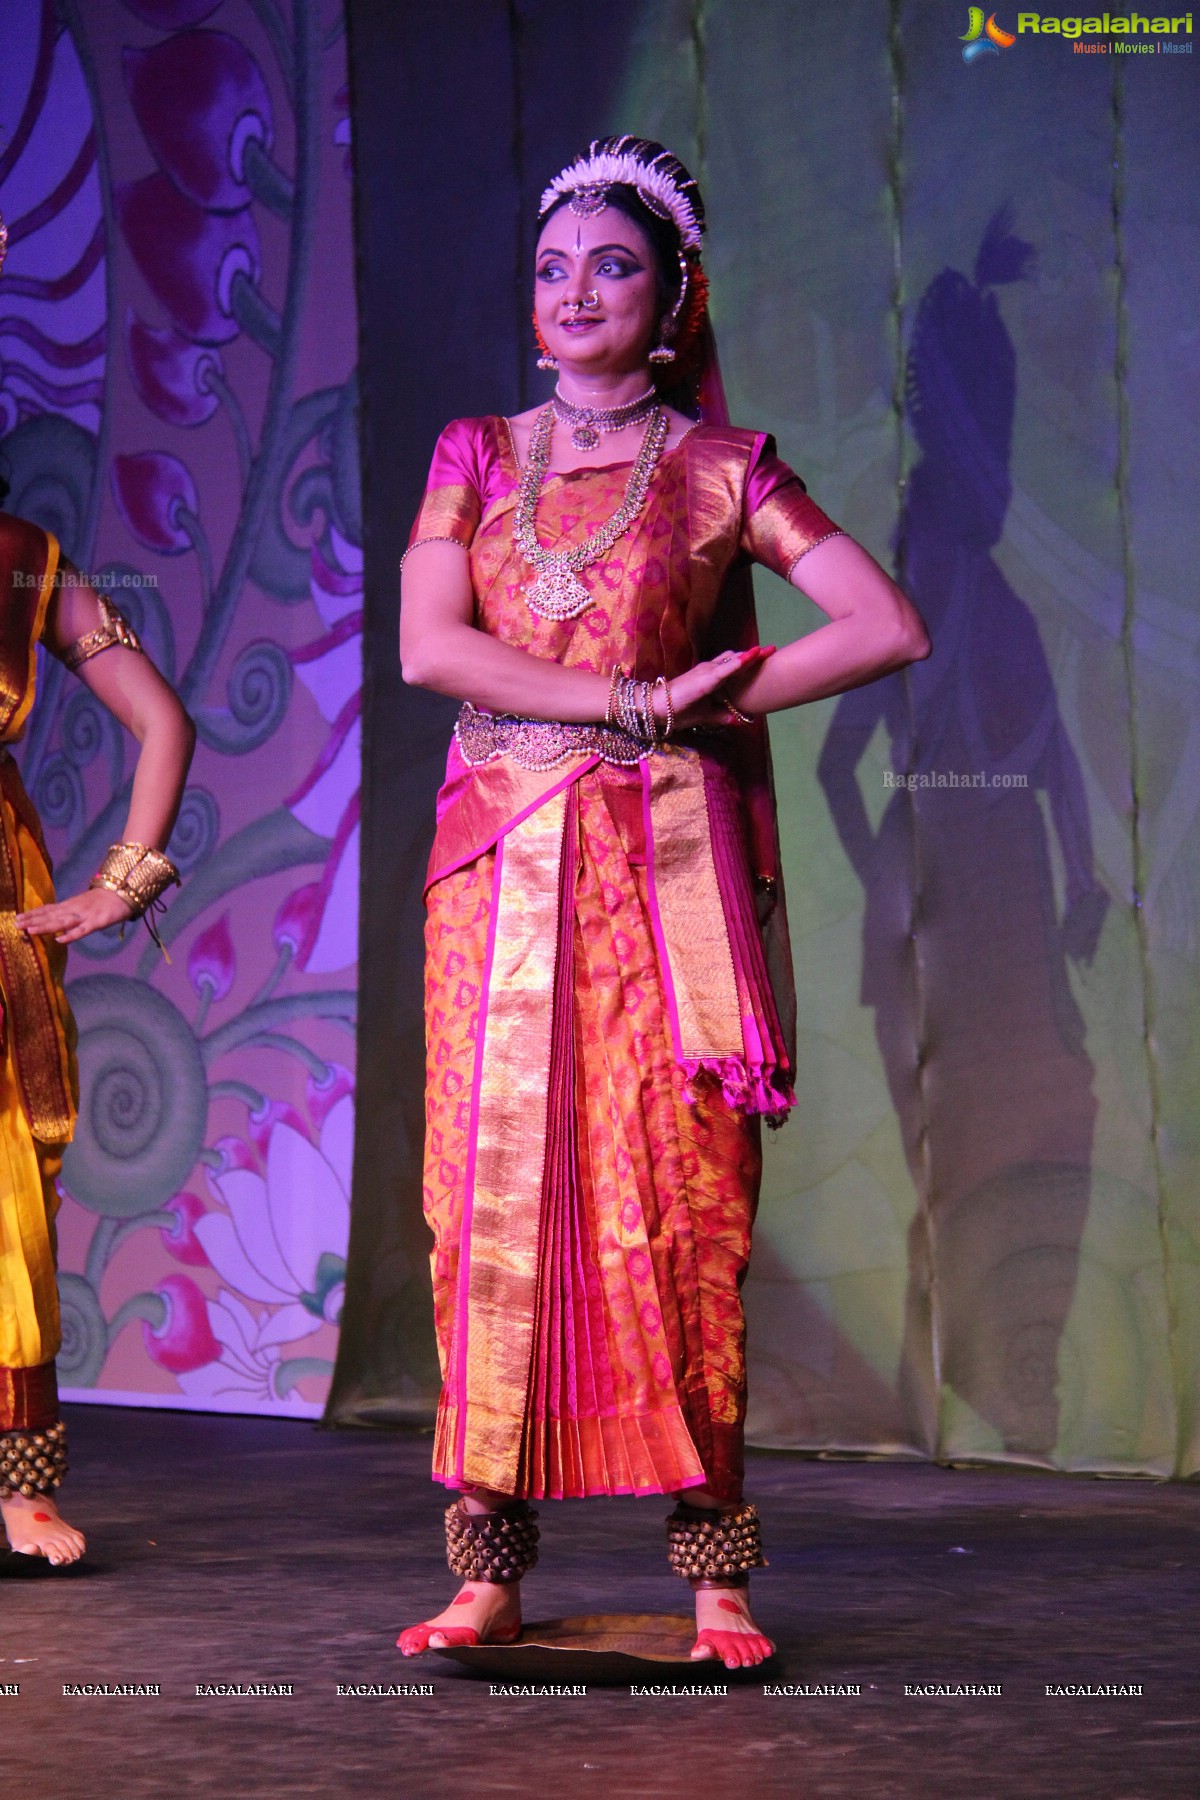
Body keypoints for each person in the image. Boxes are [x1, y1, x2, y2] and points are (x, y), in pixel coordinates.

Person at [397, 137, 929, 1668]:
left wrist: (709, 704)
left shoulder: (721, 468)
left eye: (611, 265)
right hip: (495, 873)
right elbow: (435, 651)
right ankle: (489, 1564)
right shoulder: (474, 456)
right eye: (551, 268)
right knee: (490, 1207)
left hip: (656, 880)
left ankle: (716, 1580)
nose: (573, 292)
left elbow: (882, 624)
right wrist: (636, 698)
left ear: (675, 296)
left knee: (682, 1204)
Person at [0, 512, 195, 1565]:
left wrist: (127, 883)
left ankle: (16, 1484)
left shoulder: (21, 560)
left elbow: (160, 717)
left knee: (3, 1199)